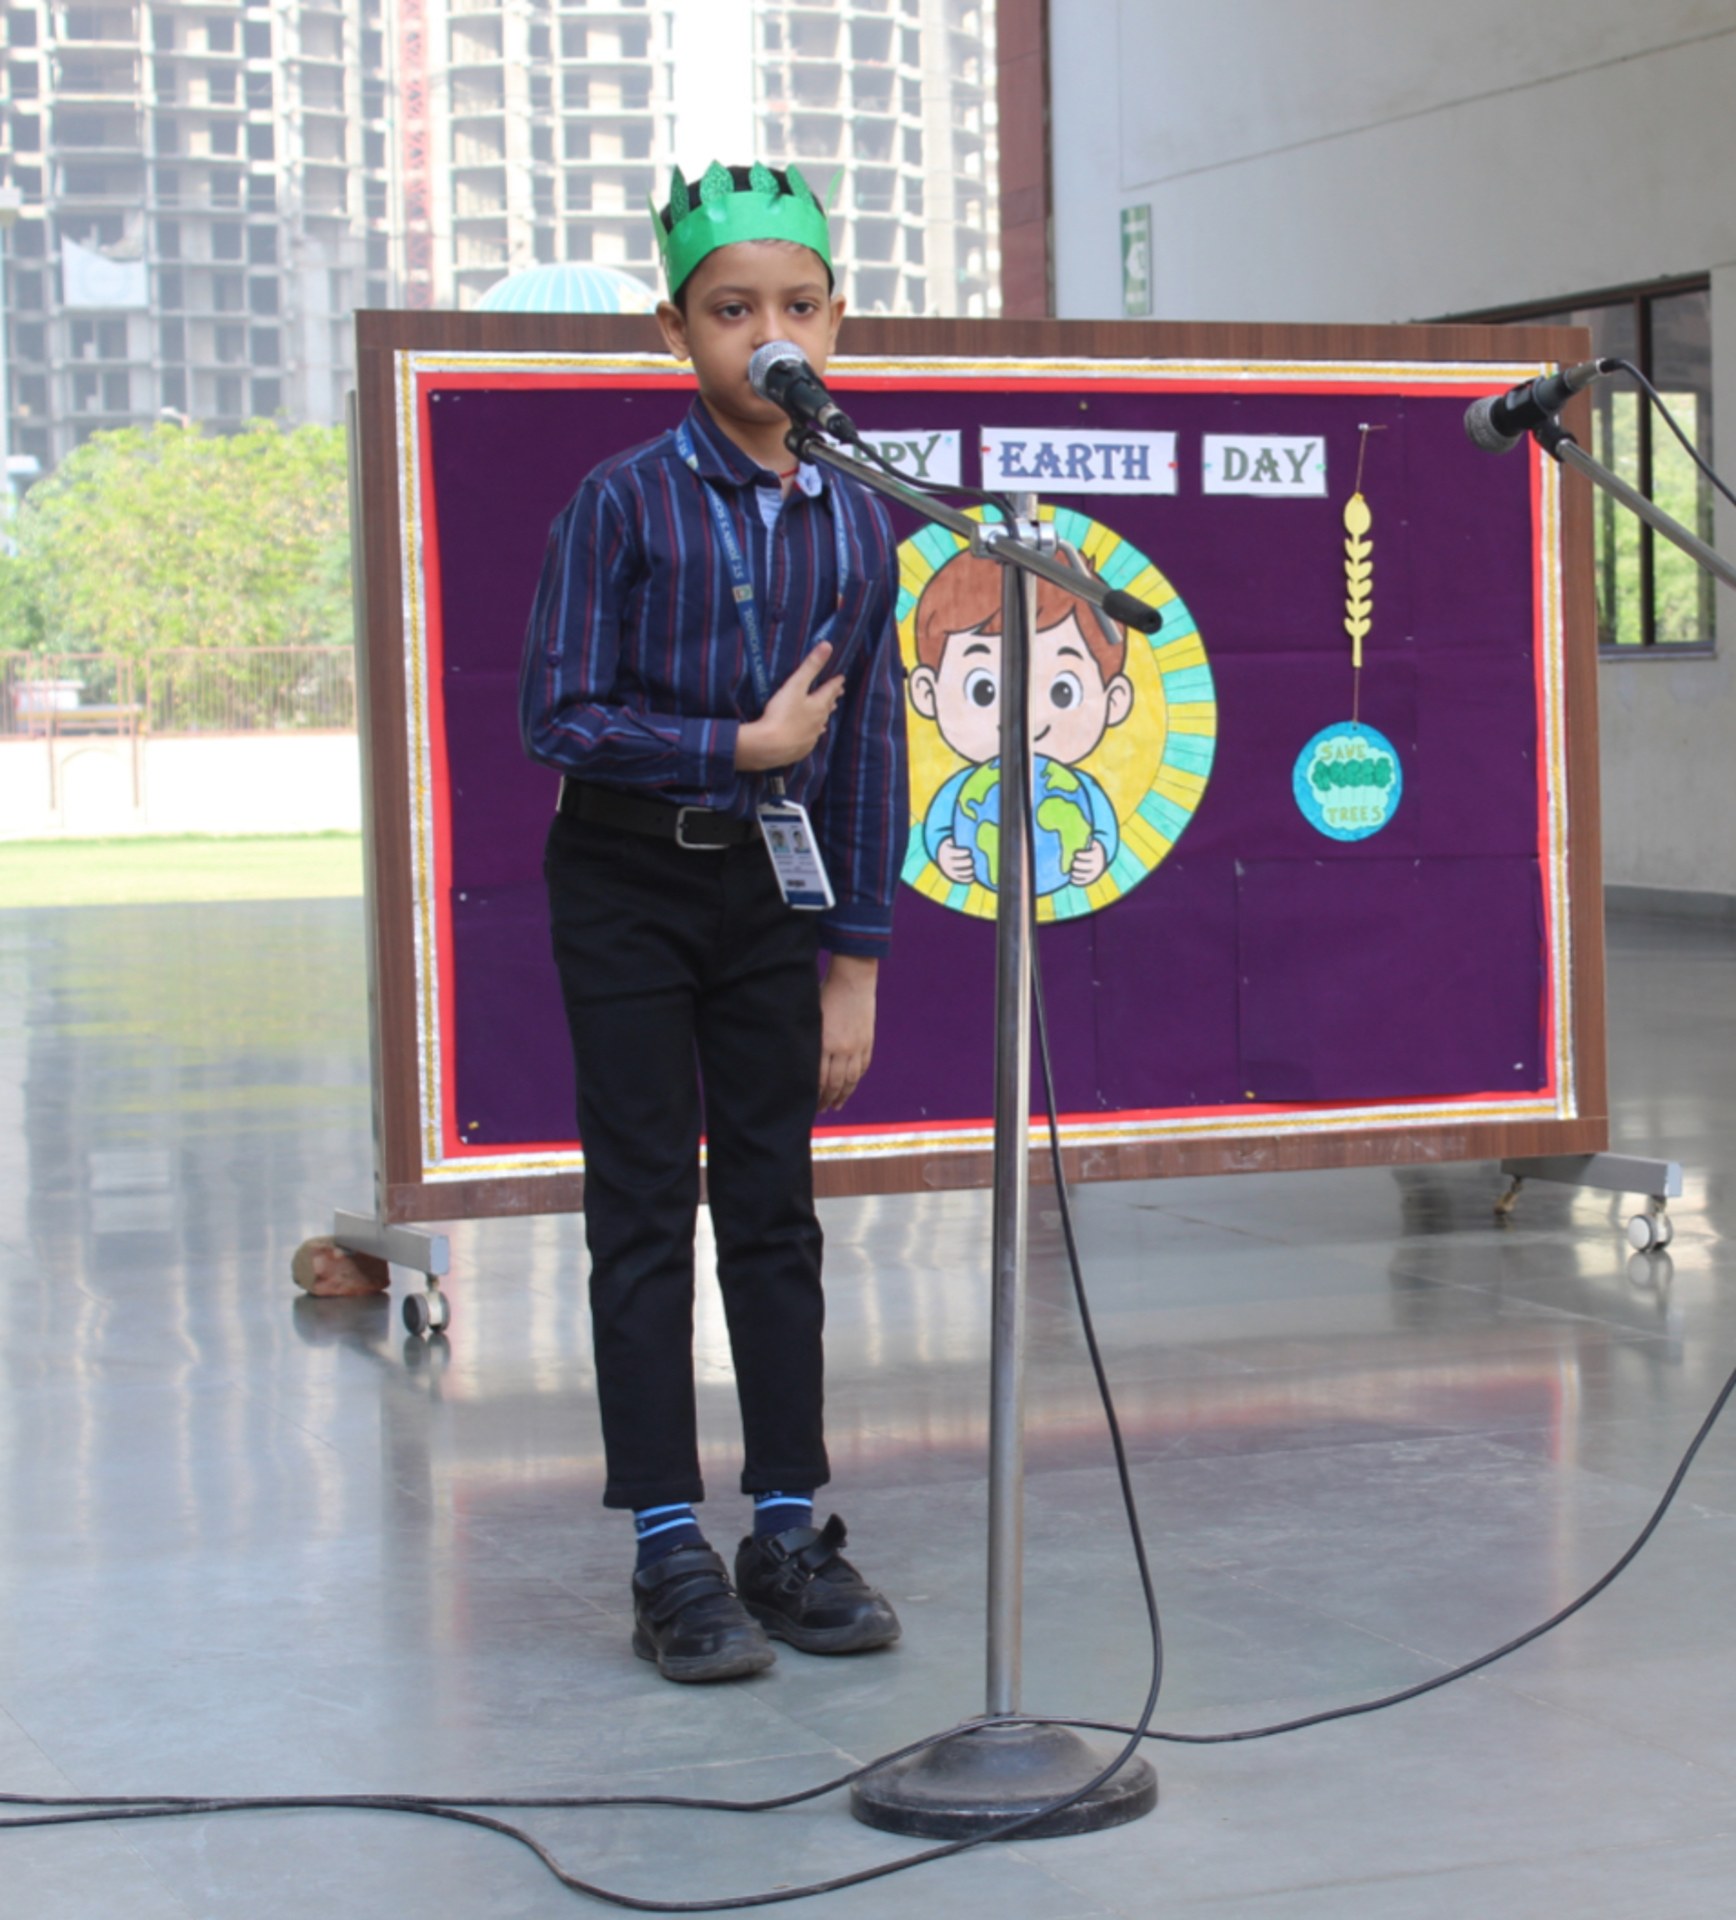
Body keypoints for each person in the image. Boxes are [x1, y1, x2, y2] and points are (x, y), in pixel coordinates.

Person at [519, 161, 908, 1684]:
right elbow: (559, 715)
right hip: (626, 883)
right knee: (640, 1207)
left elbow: (865, 756)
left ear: (837, 320)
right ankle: (668, 1543)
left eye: (797, 306)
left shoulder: (859, 522)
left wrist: (853, 961)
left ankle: (788, 1525)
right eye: (732, 309)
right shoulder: (619, 502)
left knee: (773, 1204)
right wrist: (733, 746)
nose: (768, 334)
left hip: (768, 893)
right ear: (675, 330)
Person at [908, 550, 1132, 893]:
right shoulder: (965, 790)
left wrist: (1099, 853)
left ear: (1114, 700)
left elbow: (1103, 827)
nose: (1025, 713)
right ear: (927, 692)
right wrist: (944, 851)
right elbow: (939, 824)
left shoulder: (1080, 790)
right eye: (983, 690)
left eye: (1063, 691)